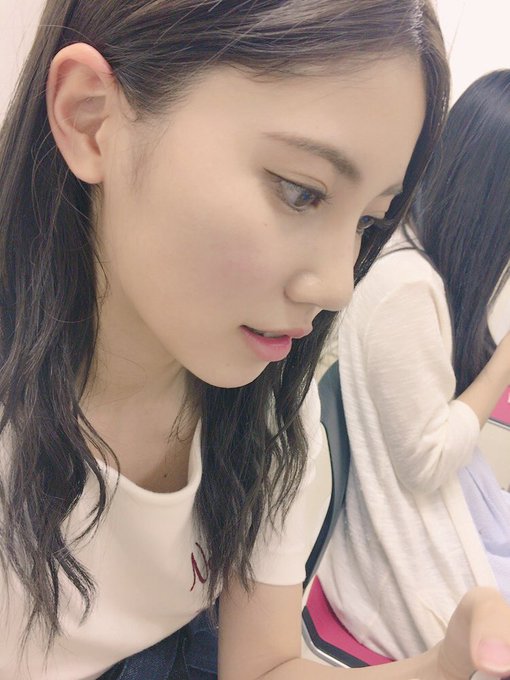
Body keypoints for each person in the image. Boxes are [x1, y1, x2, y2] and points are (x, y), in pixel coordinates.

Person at [0, 1, 509, 678]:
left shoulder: (267, 411)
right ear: (91, 119)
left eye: (368, 223)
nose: (339, 287)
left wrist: (445, 664)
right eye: (301, 192)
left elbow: (264, 666)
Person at [319, 69, 510, 661]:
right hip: (403, 577)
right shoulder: (406, 283)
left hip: (443, 524)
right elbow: (426, 461)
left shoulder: (425, 268)